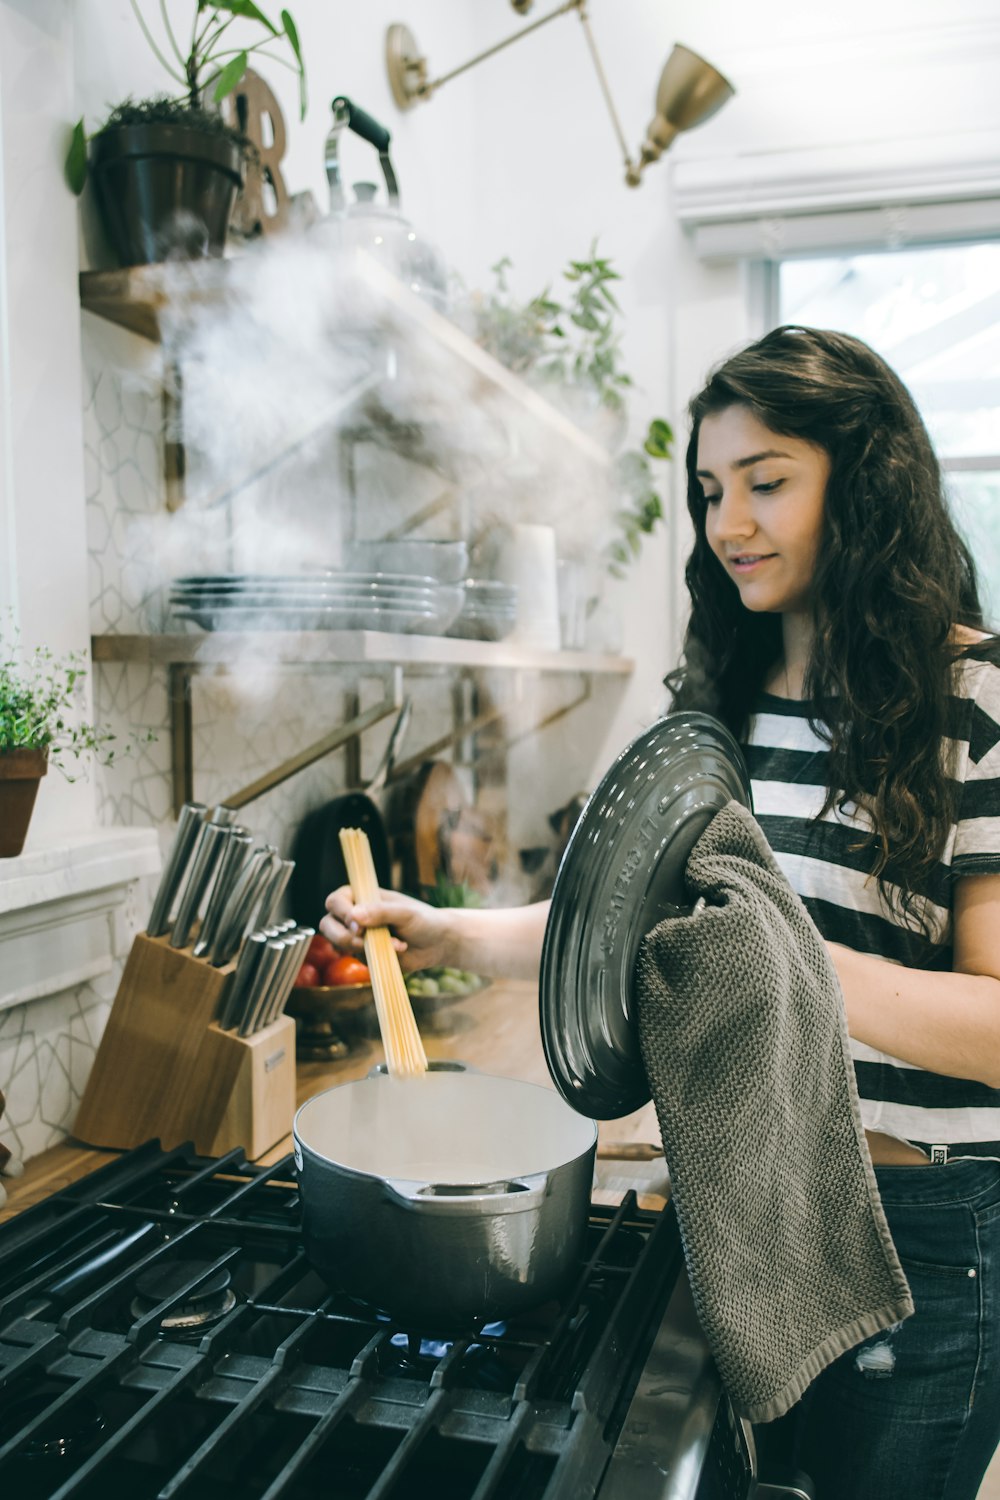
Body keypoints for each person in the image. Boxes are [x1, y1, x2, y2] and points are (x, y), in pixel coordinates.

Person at [322, 324, 1000, 1500]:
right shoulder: (723, 703)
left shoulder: (975, 695)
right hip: (742, 1191)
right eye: (705, 490)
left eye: (766, 481)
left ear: (869, 478)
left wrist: (782, 955)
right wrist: (451, 933)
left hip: (922, 1232)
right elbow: (639, 915)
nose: (725, 523)